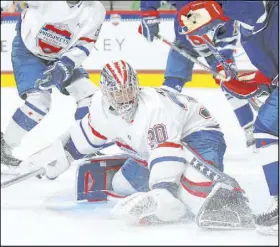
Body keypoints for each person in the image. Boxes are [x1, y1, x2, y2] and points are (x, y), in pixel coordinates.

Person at [43, 60, 253, 229]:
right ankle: (175, 193)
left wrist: (162, 193)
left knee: (197, 191)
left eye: (129, 91)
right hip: (156, 144)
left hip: (197, 132)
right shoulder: (99, 106)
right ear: (106, 92)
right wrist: (64, 155)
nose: (125, 100)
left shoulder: (153, 108)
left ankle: (198, 197)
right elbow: (89, 134)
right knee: (122, 185)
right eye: (118, 93)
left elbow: (165, 153)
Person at [176, 0, 278, 235]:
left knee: (265, 128)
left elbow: (250, 8)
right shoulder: (245, 31)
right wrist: (253, 82)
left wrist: (215, 6)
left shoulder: (265, 12)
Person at [1, 1, 106, 171]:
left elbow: (84, 44)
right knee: (39, 102)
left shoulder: (96, 9)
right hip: (29, 52)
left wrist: (64, 66)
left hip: (62, 56)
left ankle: (87, 142)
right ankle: (5, 145)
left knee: (88, 95)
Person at [139, 0, 256, 147]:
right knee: (170, 90)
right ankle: (160, 131)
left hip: (215, 47)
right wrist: (148, 14)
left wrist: (223, 62)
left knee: (231, 85)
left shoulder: (228, 6)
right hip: (185, 43)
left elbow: (228, 37)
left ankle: (251, 128)